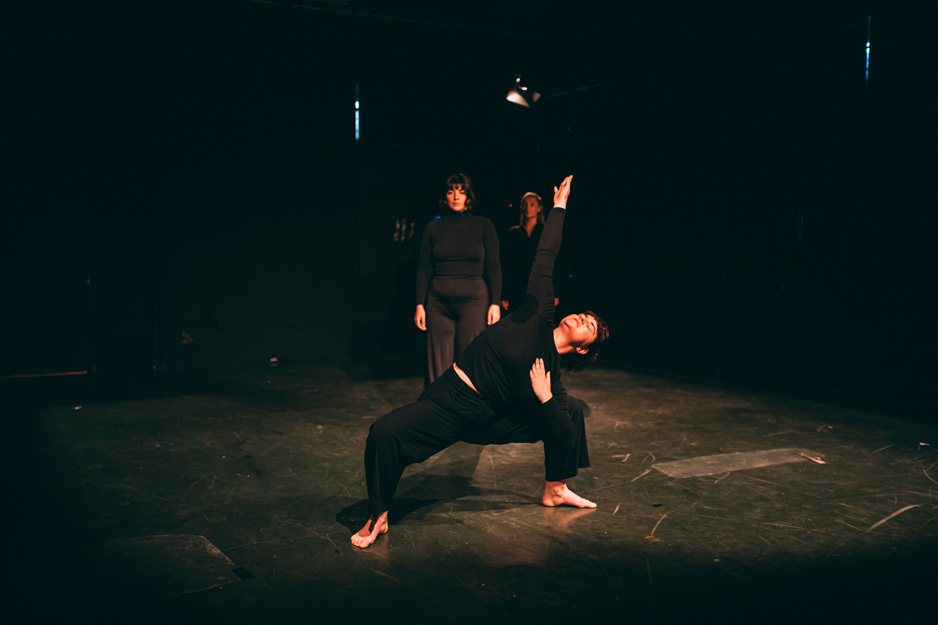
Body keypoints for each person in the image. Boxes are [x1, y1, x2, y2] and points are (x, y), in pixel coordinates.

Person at [353, 175, 609, 549]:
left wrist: (545, 399)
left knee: (566, 413)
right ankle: (379, 514)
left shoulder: (551, 378)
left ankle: (556, 489)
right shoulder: (538, 310)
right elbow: (546, 255)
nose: (582, 319)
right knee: (384, 432)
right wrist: (559, 206)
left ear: (584, 349)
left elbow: (566, 437)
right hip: (453, 402)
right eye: (584, 315)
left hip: (491, 419)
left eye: (589, 326)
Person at [415, 173, 502, 384]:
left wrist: (495, 303)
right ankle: (437, 402)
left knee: (470, 360)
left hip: (473, 301)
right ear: (444, 196)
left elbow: (494, 266)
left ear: (468, 196)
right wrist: (419, 304)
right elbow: (424, 268)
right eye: (451, 191)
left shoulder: (483, 225)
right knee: (437, 364)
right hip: (438, 301)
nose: (456, 196)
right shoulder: (433, 228)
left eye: (461, 192)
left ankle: (468, 402)